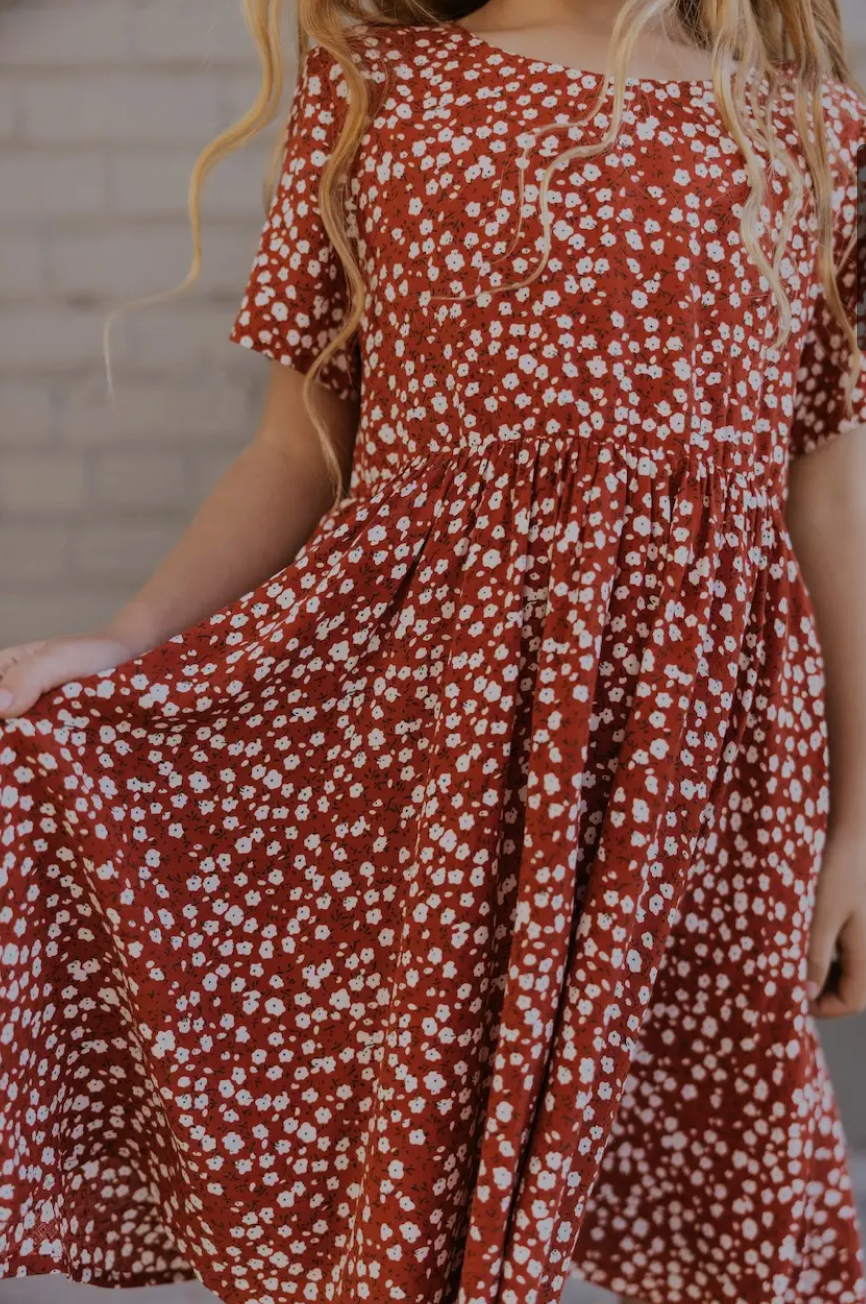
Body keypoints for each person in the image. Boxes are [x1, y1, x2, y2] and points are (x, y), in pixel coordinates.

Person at [1, 0, 865, 1301]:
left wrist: (858, 825)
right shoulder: (376, 93)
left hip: (699, 752)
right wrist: (127, 640)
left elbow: (825, 501)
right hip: (436, 729)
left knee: (729, 1212)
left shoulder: (806, 126)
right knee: (417, 1187)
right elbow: (295, 451)